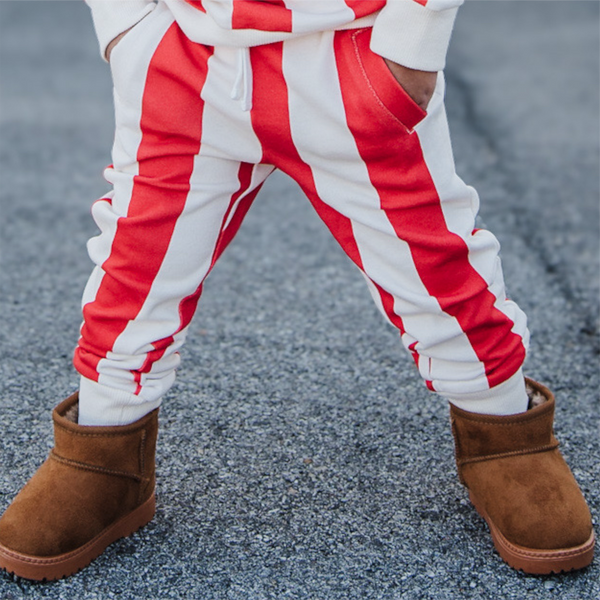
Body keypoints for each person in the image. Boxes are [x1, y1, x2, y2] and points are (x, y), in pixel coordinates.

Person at [0, 0, 594, 581]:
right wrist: (123, 24)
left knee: (434, 263)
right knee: (137, 261)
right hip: (186, 48)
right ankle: (105, 451)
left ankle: (503, 436)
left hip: (353, 52)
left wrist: (416, 37)